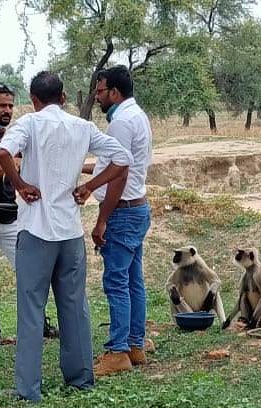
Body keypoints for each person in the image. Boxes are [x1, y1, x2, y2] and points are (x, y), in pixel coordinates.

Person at [0, 71, 131, 402]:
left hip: (36, 230)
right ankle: (80, 379)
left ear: (34, 100)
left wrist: (20, 185)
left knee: (31, 309)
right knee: (74, 306)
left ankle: (29, 389)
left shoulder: (29, 124)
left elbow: (2, 153)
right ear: (65, 97)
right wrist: (89, 186)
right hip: (69, 232)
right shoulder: (82, 127)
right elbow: (123, 160)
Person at [0, 82, 59, 348]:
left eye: (10, 106)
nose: (7, 111)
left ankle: (39, 321)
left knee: (29, 271)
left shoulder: (19, 138)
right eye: (1, 105)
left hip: (11, 217)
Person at [81, 65, 154, 377]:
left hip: (122, 211)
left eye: (100, 91)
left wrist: (102, 219)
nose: (97, 97)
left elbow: (118, 174)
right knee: (132, 280)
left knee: (116, 282)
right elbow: (109, 167)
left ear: (114, 92)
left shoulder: (121, 123)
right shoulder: (136, 116)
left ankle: (118, 351)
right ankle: (134, 345)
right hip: (137, 208)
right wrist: (83, 171)